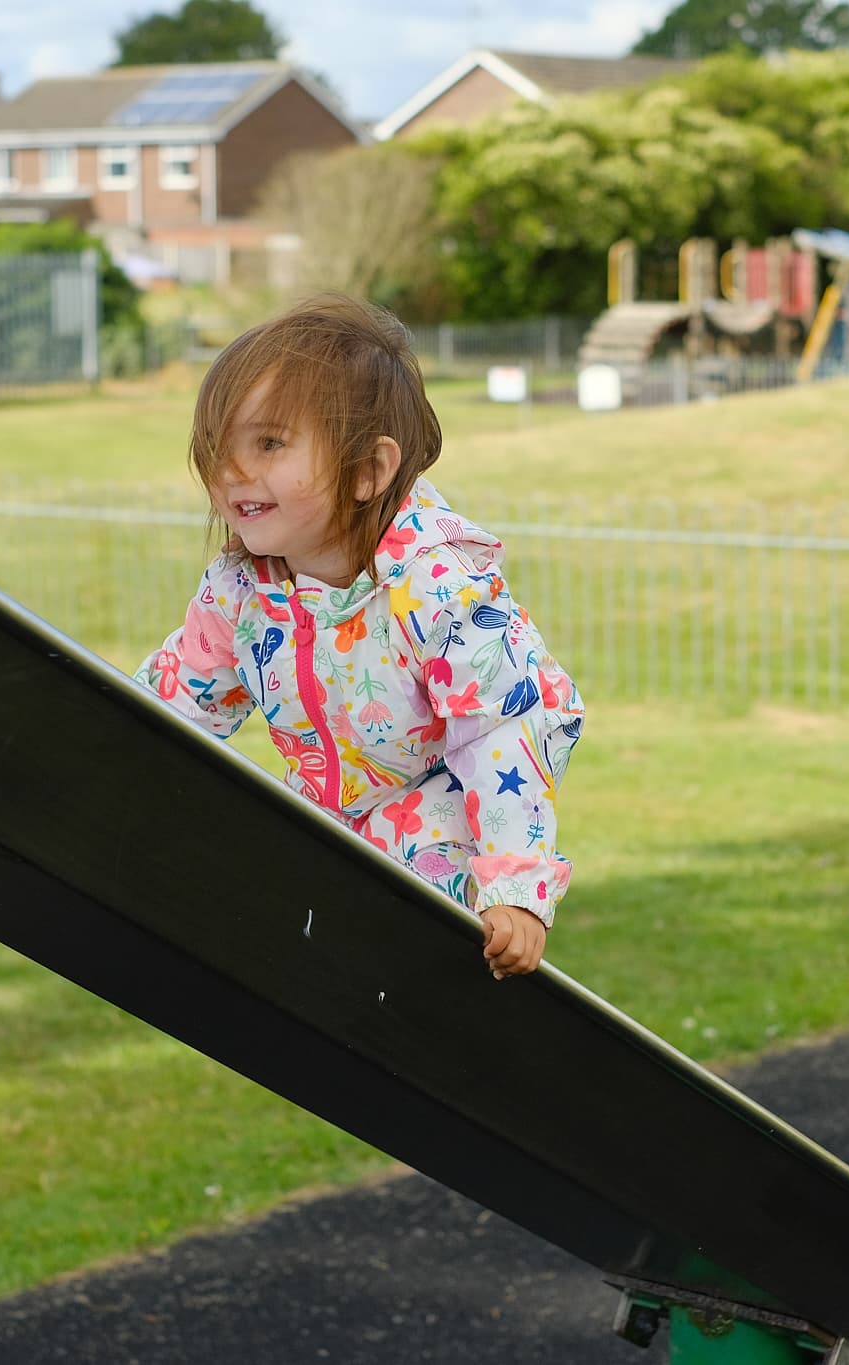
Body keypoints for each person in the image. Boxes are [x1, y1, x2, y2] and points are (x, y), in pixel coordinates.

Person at [135, 295, 583, 979]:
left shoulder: (438, 588)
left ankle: (432, 991)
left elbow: (502, 728)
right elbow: (183, 695)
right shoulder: (242, 592)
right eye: (218, 445)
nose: (230, 470)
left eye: (269, 443)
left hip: (442, 805)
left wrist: (515, 886)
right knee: (269, 872)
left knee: (413, 880)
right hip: (331, 817)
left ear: (368, 471)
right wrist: (100, 743)